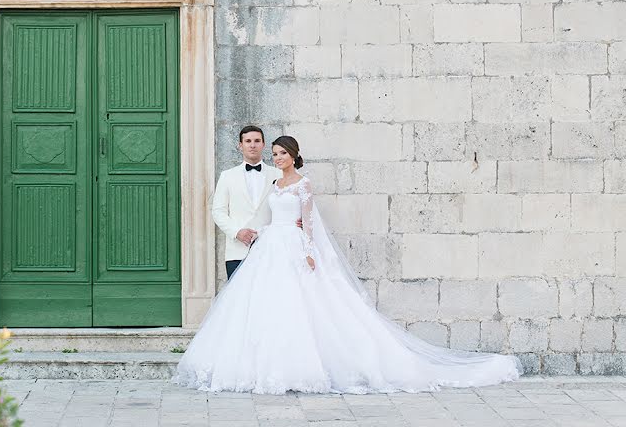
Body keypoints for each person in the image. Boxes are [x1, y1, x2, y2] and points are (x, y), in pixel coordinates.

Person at [175, 135, 522, 394]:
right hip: (268, 245)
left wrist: (309, 250)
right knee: (266, 307)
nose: (277, 158)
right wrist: (260, 232)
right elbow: (264, 214)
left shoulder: (302, 184)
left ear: (294, 156)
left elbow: (308, 222)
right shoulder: (274, 183)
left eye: (282, 153)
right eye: (275, 154)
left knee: (302, 306)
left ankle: (304, 366)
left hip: (293, 246)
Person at [211, 125, 282, 280]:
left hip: (270, 249)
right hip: (237, 250)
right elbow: (218, 211)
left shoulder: (279, 175)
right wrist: (237, 232)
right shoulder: (227, 176)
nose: (252, 145)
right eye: (248, 141)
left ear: (263, 144)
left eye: (257, 141)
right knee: (238, 301)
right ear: (240, 145)